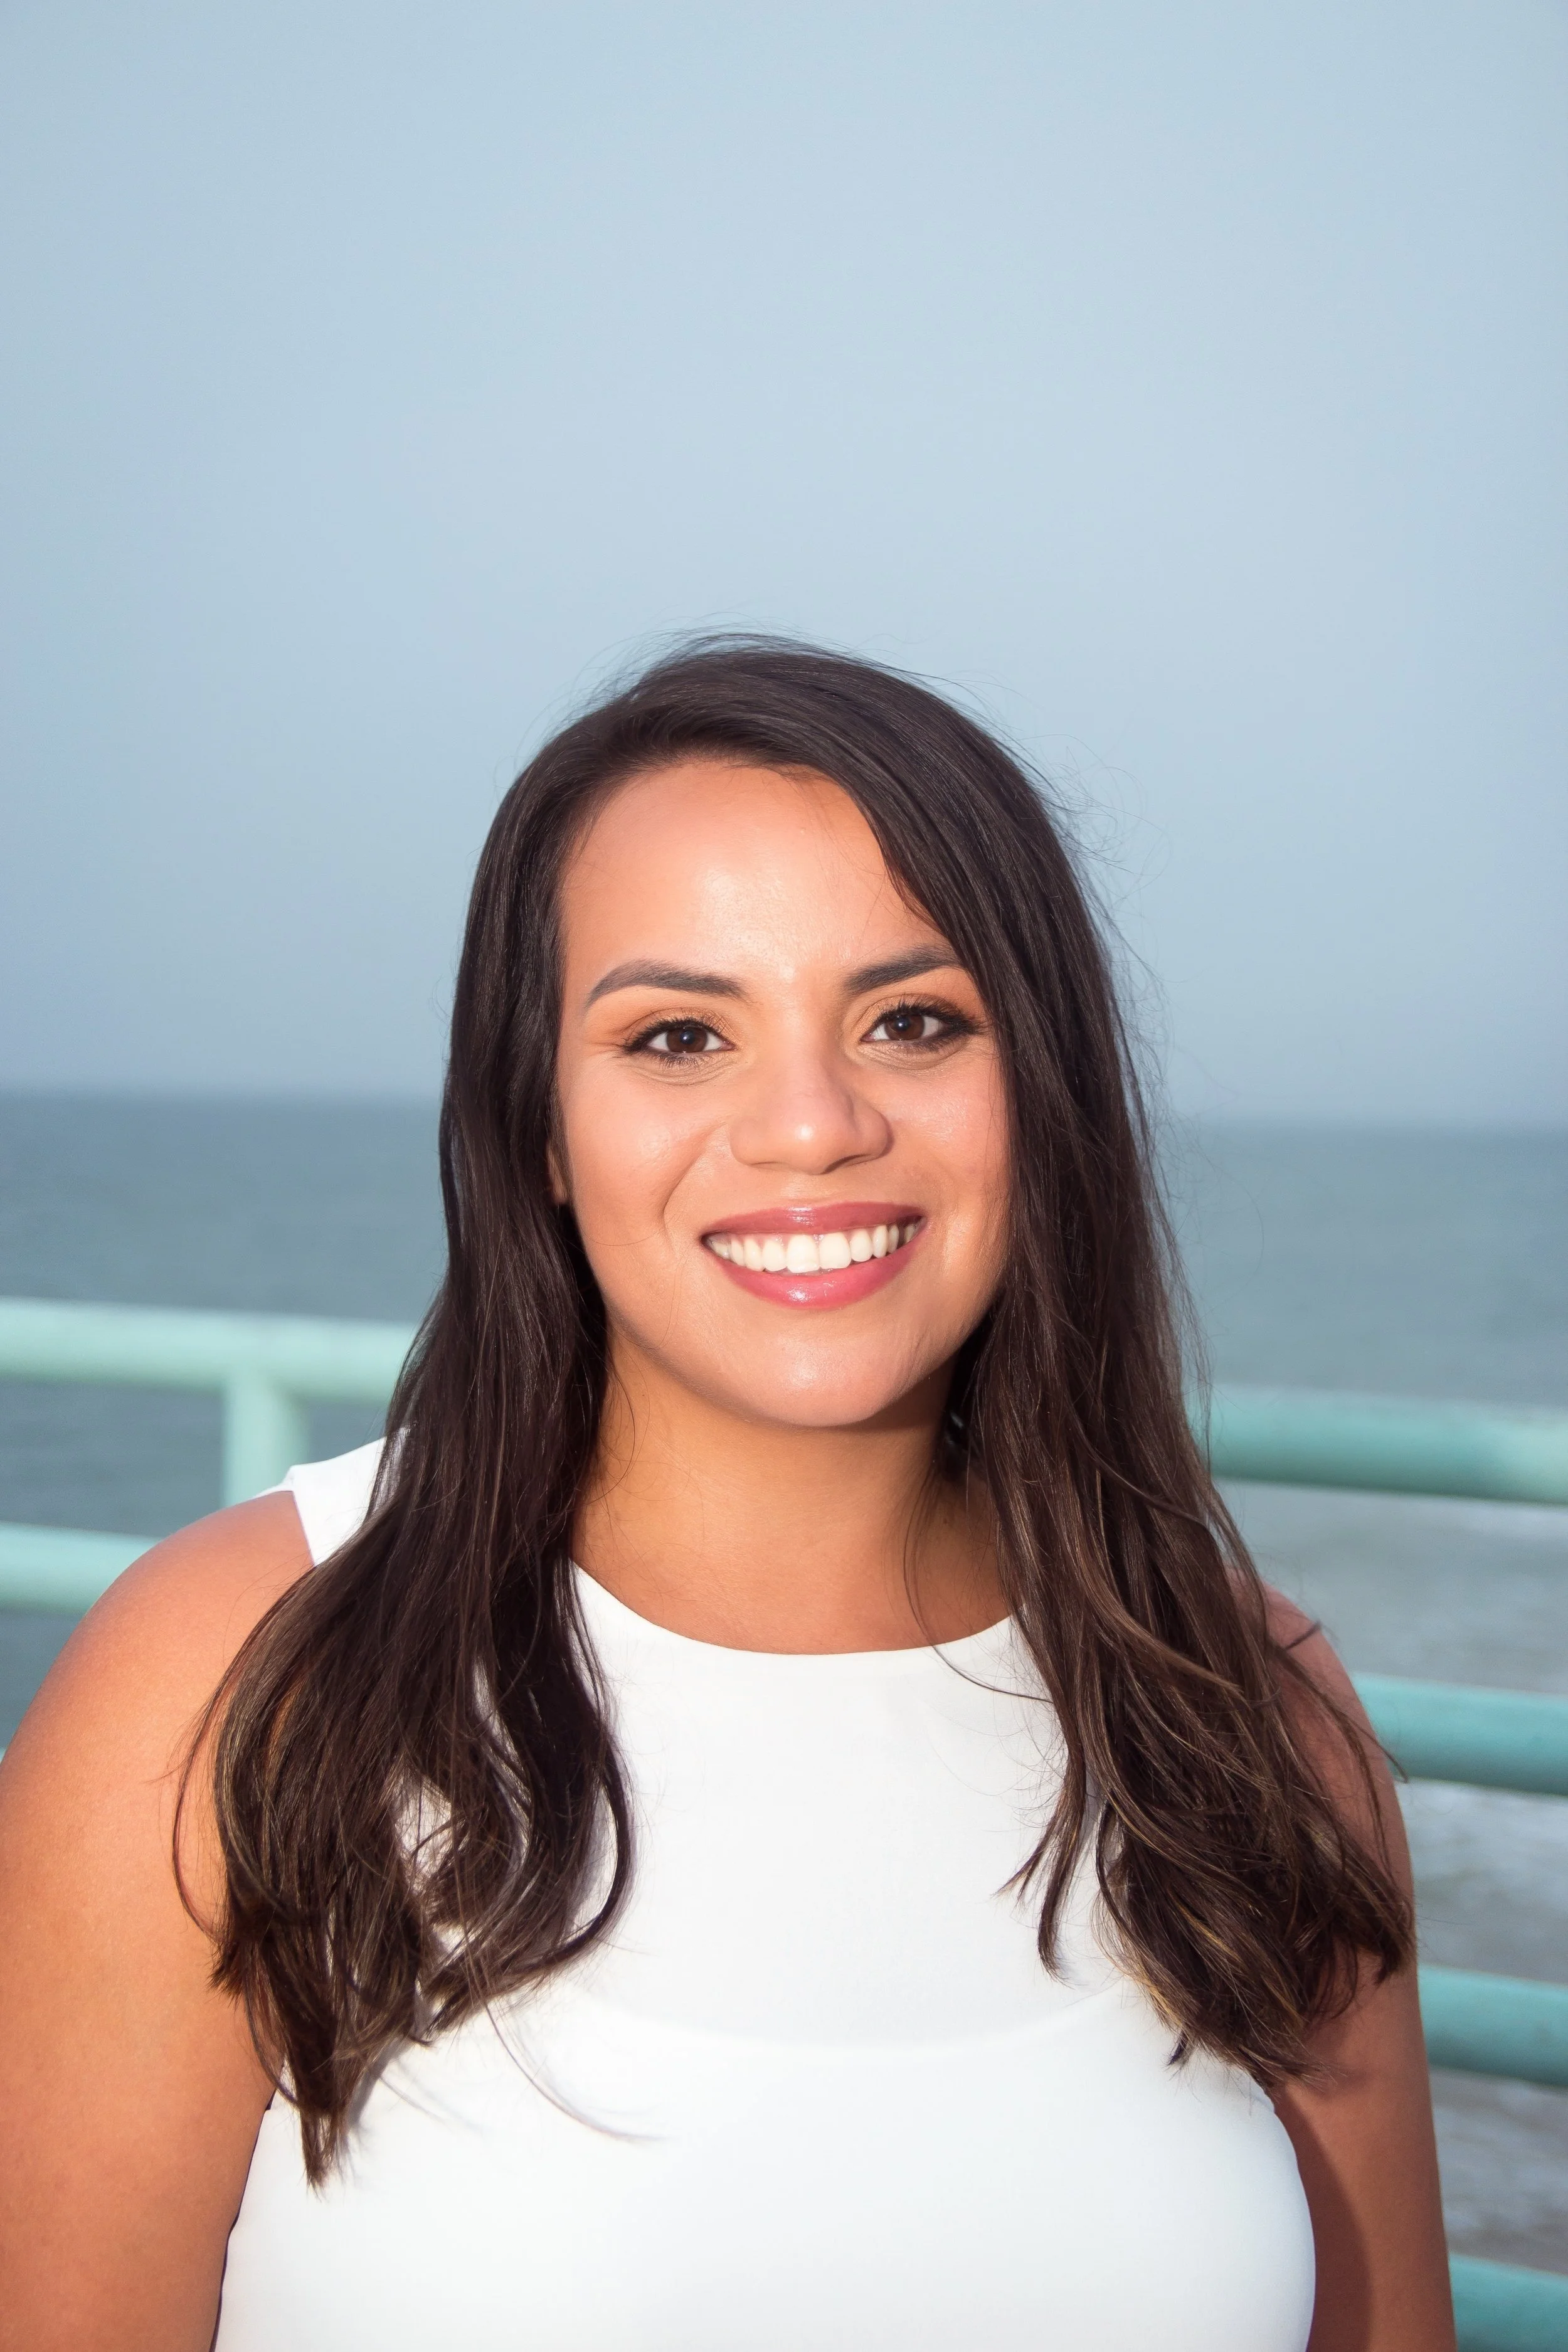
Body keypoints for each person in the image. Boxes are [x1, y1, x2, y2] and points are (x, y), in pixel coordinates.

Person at [0, 642, 1453, 2351]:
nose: (811, 1125)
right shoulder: (235, 1669)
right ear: (538, 1125)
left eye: (911, 1019)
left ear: (1039, 1090)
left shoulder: (1242, 1712)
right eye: (677, 1034)